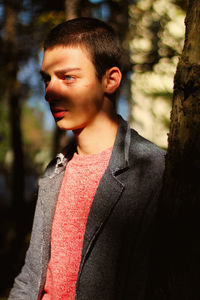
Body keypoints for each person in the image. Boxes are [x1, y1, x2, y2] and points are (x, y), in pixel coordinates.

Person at [9, 17, 165, 300]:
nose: (50, 91)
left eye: (68, 77)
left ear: (110, 80)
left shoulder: (154, 170)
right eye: (47, 78)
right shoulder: (55, 168)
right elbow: (32, 276)